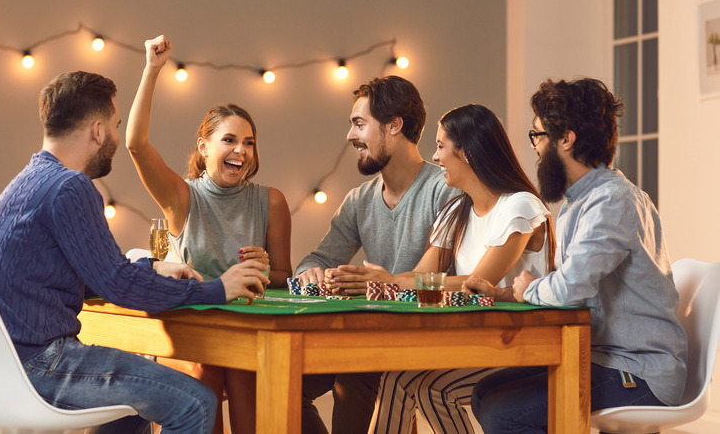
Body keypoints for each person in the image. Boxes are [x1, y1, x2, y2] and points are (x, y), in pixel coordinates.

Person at [0, 71, 269, 434]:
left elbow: (95, 273)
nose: (114, 136)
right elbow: (119, 285)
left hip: (0, 368)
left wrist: (152, 266)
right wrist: (218, 289)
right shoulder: (69, 187)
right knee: (195, 402)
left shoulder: (29, 182)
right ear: (97, 130)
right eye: (115, 126)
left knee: (138, 397)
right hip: (39, 366)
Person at [466, 78, 688, 433]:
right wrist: (509, 294)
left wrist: (528, 291)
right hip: (604, 357)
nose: (535, 147)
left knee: (503, 413)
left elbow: (571, 288)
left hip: (637, 370)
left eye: (537, 135)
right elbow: (575, 285)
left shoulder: (612, 201)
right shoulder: (581, 202)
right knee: (486, 391)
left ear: (566, 139)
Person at [126, 35, 291, 434]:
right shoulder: (182, 197)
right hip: (192, 330)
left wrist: (266, 270)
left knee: (246, 372)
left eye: (248, 142)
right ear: (203, 147)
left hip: (244, 331)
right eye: (229, 140)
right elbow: (135, 144)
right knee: (208, 370)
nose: (241, 151)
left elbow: (285, 278)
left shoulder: (271, 201)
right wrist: (152, 69)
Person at [357, 104, 555, 434]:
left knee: (429, 388)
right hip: (481, 341)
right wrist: (380, 279)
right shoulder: (456, 211)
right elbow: (422, 276)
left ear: (468, 153)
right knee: (397, 379)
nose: (435, 157)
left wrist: (394, 281)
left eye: (440, 146)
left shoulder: (520, 206)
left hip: (524, 345)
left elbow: (479, 283)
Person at [295, 75, 459, 434]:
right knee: (285, 382)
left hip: (429, 339)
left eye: (359, 124)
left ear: (394, 125)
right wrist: (311, 272)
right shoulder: (359, 200)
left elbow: (451, 281)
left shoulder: (444, 190)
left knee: (352, 380)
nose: (350, 136)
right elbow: (316, 259)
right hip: (365, 338)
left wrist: (386, 285)